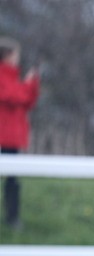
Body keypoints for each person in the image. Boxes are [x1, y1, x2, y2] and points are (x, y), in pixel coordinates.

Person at [0, 37, 40, 230]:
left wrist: (32, 84)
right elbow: (14, 96)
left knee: (12, 179)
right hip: (3, 136)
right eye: (15, 55)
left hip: (11, 138)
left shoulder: (14, 79)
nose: (17, 59)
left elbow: (26, 102)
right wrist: (27, 85)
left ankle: (12, 218)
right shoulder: (4, 79)